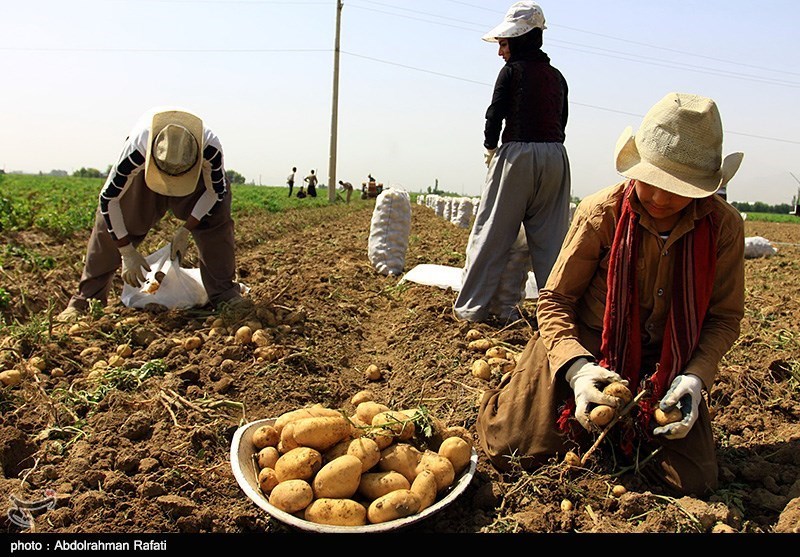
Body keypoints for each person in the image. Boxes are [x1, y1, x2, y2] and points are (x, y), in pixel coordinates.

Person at [476, 92, 745, 497]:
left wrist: (695, 376)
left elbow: (724, 317)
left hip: (665, 364)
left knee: (692, 483)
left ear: (702, 189)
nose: (655, 197)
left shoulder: (723, 228)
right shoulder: (602, 212)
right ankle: (517, 389)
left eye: (674, 188)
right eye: (650, 179)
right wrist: (578, 370)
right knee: (513, 448)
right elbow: (555, 301)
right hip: (585, 345)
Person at [57, 107, 249, 321]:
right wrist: (126, 251)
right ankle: (86, 301)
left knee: (216, 223)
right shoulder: (137, 148)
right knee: (112, 227)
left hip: (197, 179)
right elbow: (109, 199)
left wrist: (186, 229)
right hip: (145, 174)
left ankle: (224, 294)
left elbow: (216, 193)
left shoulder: (210, 148)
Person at [454, 1, 571, 324]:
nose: (500, 52)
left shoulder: (512, 72)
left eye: (504, 44)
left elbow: (495, 115)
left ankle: (471, 309)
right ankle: (558, 315)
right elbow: (562, 121)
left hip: (517, 155)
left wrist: (491, 148)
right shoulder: (557, 77)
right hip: (555, 157)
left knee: (492, 233)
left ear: (520, 40)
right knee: (552, 242)